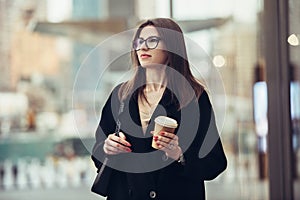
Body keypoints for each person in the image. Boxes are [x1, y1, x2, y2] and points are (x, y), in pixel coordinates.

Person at [91, 18, 227, 200]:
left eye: (152, 41)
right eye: (139, 42)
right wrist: (108, 148)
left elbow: (215, 162)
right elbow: (98, 152)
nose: (143, 47)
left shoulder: (194, 97)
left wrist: (179, 155)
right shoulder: (120, 95)